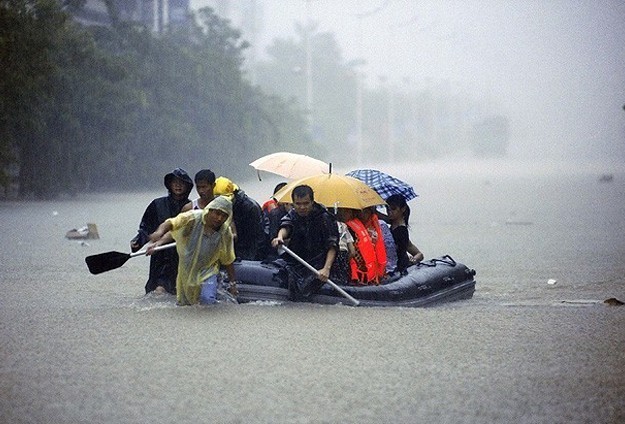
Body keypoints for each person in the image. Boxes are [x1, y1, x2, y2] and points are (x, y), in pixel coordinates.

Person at [147, 196, 237, 306]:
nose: (219, 219)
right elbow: (171, 223)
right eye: (217, 213)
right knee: (185, 304)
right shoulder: (193, 218)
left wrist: (233, 284)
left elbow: (228, 259)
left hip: (208, 271)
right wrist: (158, 234)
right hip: (187, 271)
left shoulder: (225, 232)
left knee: (207, 299)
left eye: (224, 216)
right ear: (210, 210)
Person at [130, 168, 194, 295]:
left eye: (182, 182)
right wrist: (139, 241)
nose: (178, 185)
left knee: (179, 290)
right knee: (159, 288)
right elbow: (146, 227)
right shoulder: (157, 204)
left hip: (181, 254)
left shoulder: (191, 207)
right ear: (169, 184)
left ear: (187, 186)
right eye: (175, 182)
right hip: (160, 254)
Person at [271, 185, 339, 299]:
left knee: (305, 288)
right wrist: (279, 237)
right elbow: (286, 226)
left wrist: (326, 269)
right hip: (298, 260)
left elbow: (332, 245)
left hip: (319, 262)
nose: (302, 207)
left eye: (306, 203)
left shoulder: (324, 217)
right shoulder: (293, 214)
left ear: (312, 202)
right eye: (298, 204)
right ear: (293, 203)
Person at [213, 176, 266, 261]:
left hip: (250, 254)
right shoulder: (222, 209)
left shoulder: (250, 207)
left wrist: (251, 261)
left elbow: (259, 238)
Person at [341, 208, 384, 285]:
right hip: (359, 272)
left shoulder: (352, 227)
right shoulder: (350, 226)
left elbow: (352, 252)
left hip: (363, 272)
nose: (361, 214)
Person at [385, 194, 424, 275]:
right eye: (387, 209)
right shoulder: (393, 224)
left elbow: (400, 251)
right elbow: (418, 253)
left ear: (403, 209)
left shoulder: (401, 230)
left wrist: (412, 260)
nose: (389, 212)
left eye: (393, 209)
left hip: (397, 267)